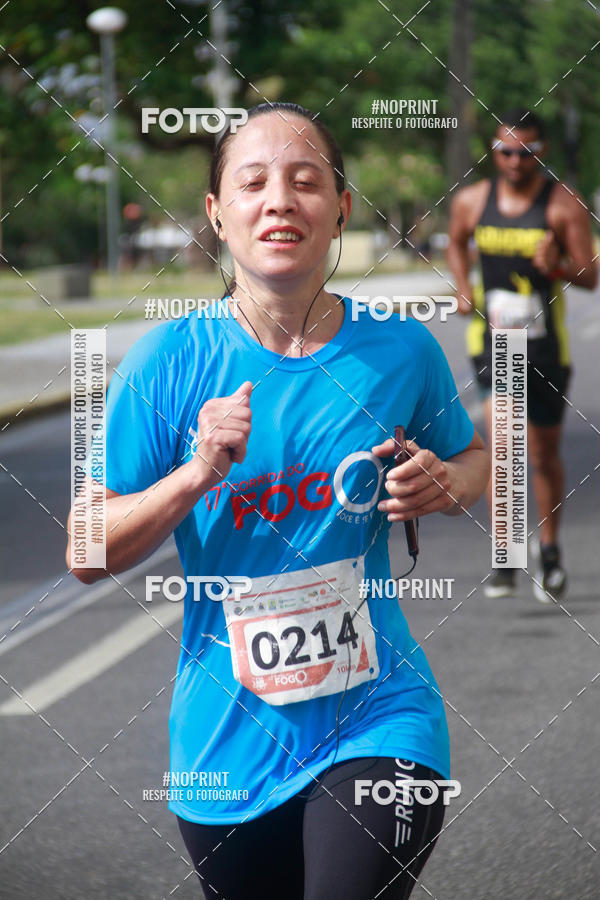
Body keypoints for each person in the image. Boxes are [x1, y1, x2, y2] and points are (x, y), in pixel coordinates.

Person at [67, 102, 489, 899]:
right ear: (218, 215)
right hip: (225, 744)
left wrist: (448, 484)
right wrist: (195, 474)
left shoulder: (400, 349)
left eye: (306, 181)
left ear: (340, 210)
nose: (280, 200)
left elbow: (473, 460)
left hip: (380, 717)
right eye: (253, 181)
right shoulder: (166, 363)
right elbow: (84, 550)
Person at [447, 108, 598, 602]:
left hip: (546, 346)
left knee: (543, 454)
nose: (515, 160)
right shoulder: (472, 201)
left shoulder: (563, 204)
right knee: (505, 446)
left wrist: (558, 267)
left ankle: (550, 551)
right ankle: (507, 555)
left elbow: (591, 275)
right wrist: (463, 287)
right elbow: (455, 242)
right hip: (493, 342)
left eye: (526, 151)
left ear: (541, 151)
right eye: (506, 150)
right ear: (494, 151)